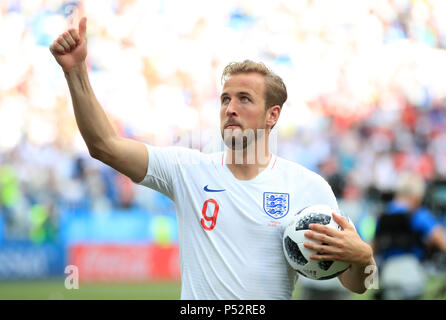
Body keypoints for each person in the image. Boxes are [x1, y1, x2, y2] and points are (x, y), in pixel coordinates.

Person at [50, 17, 376, 299]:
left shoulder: (308, 187)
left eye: (244, 99)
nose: (230, 108)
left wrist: (362, 257)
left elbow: (356, 285)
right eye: (225, 99)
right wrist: (76, 71)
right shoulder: (187, 170)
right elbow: (104, 145)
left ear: (271, 115)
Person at [372, 172, 446, 299]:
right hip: (412, 275)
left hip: (388, 275)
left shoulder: (383, 215)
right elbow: (442, 241)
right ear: (417, 195)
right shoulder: (418, 214)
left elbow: (372, 247)